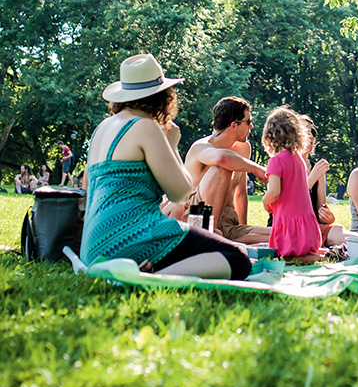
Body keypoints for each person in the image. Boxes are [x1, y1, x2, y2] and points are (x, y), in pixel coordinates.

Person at [80, 53, 251, 280]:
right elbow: (180, 193)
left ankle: (136, 270)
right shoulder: (145, 127)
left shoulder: (102, 128)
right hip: (135, 235)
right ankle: (148, 277)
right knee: (238, 257)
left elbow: (87, 188)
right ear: (163, 97)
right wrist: (171, 144)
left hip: (93, 246)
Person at [168, 97, 271, 244]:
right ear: (234, 125)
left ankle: (229, 242)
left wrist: (244, 225)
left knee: (285, 236)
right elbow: (222, 159)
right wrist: (257, 168)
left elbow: (240, 193)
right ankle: (209, 241)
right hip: (197, 220)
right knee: (222, 169)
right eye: (248, 122)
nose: (252, 126)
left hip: (227, 224)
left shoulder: (243, 147)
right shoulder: (201, 147)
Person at [261, 107, 323, 263]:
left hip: (289, 227)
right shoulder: (299, 160)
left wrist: (265, 200)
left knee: (282, 257)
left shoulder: (276, 161)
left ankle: (304, 258)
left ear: (270, 136)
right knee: (297, 255)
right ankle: (313, 256)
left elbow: (274, 192)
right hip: (307, 228)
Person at [298, 115, 358, 247]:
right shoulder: (284, 164)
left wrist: (328, 217)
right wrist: (312, 178)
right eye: (306, 132)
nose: (311, 137)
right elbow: (285, 204)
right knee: (339, 234)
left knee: (337, 230)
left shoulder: (317, 168)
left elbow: (321, 210)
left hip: (312, 227)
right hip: (290, 228)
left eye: (313, 132)